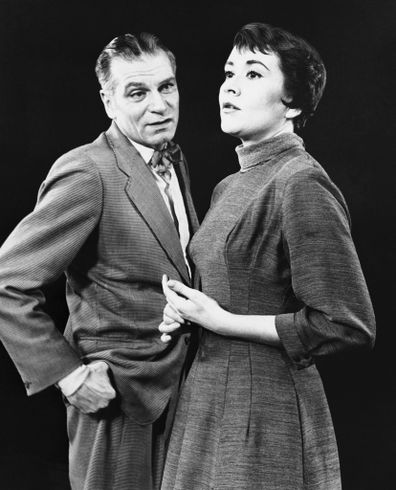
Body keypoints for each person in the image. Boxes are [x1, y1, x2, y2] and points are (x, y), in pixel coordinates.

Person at [159, 22, 375, 489]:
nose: (230, 86)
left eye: (254, 74)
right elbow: (226, 287)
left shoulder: (301, 182)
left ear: (292, 104)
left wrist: (221, 321)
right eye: (228, 72)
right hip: (207, 397)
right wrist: (188, 313)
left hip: (264, 409)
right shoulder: (229, 185)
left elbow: (347, 323)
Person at [0, 32, 198, 490]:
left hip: (177, 391)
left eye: (167, 87)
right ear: (108, 101)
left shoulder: (170, 159)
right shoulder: (88, 171)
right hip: (118, 398)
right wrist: (68, 378)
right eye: (137, 93)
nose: (159, 105)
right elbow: (7, 282)